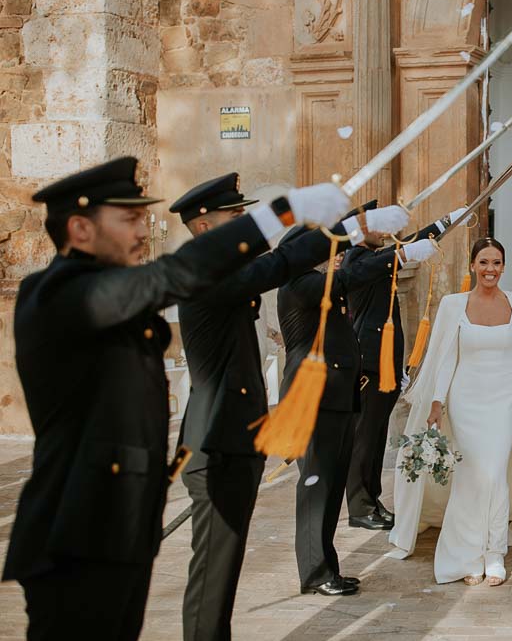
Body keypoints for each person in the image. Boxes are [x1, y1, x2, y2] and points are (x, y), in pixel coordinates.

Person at [3, 157, 350, 640]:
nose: (143, 231)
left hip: (121, 519)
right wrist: (282, 214)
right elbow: (176, 274)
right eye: (129, 219)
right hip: (76, 527)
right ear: (80, 228)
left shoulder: (112, 292)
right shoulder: (57, 293)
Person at [170, 176, 410, 639]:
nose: (244, 224)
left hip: (235, 443)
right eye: (234, 217)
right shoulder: (205, 271)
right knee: (212, 577)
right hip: (214, 445)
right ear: (203, 228)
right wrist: (356, 227)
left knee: (221, 578)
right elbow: (284, 262)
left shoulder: (222, 270)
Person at [277, 216, 438, 597]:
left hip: (335, 398)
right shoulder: (301, 285)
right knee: (317, 486)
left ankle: (326, 568)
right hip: (312, 399)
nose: (336, 256)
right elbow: (353, 276)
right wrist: (401, 256)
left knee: (331, 488)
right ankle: (315, 573)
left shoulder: (319, 284)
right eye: (325, 251)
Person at [385, 237, 512, 582]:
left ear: (503, 266)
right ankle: (465, 552)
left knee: (494, 474)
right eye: (483, 262)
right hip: (465, 400)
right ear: (472, 265)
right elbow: (447, 357)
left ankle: (494, 552)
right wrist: (437, 401)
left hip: (505, 400)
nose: (490, 269)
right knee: (471, 475)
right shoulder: (453, 305)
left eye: (496, 263)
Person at [343, 208, 466, 532]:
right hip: (368, 364)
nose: (385, 231)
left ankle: (371, 500)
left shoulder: (374, 256)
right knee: (364, 438)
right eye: (378, 226)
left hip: (385, 364)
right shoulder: (355, 260)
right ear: (358, 229)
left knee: (376, 435)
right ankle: (359, 505)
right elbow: (394, 256)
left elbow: (409, 243)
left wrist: (447, 220)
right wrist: (404, 251)